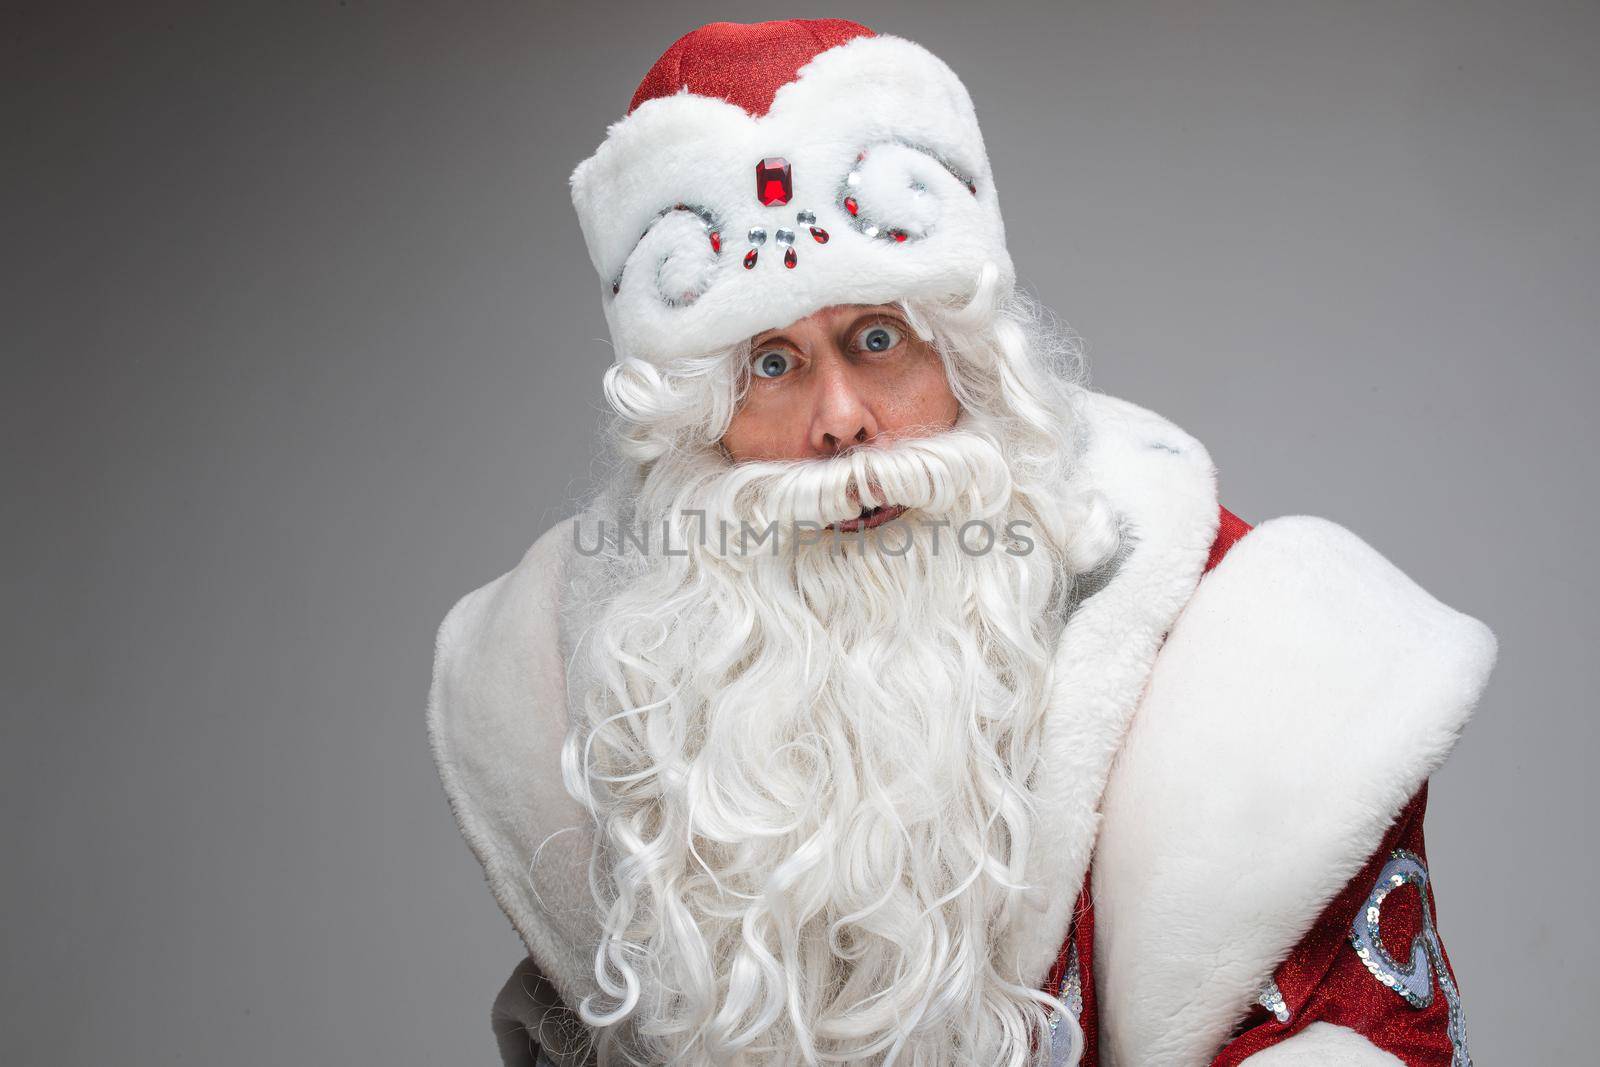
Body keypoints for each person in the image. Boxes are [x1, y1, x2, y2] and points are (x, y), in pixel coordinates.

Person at [426, 19, 1494, 1067]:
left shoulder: (1240, 639)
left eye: (876, 339)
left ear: (970, 356)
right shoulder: (593, 686)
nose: (840, 418)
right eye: (770, 363)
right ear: (696, 419)